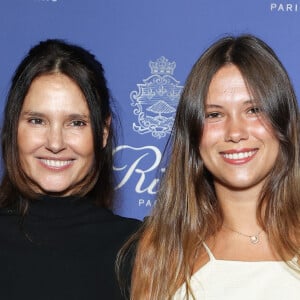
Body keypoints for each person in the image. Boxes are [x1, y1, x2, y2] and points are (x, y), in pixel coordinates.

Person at [118, 34, 300, 299]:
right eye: (214, 114)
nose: (235, 132)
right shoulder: (162, 249)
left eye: (253, 110)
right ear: (193, 134)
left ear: (282, 121)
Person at [0, 39, 140, 300]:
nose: (55, 143)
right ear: (13, 127)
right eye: (37, 120)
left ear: (103, 133)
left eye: (76, 123)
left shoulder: (139, 248)